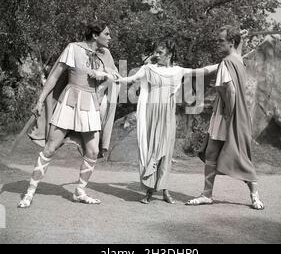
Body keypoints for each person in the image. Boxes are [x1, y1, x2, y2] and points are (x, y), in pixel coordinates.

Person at [90, 39, 218, 204]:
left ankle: (165, 190)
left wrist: (222, 64)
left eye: (160, 53)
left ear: (170, 54)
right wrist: (113, 77)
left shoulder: (178, 70)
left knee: (166, 151)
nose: (156, 55)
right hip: (152, 113)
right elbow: (130, 79)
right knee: (151, 149)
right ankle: (149, 190)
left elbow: (201, 71)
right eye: (156, 52)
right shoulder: (148, 69)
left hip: (168, 115)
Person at [18, 22, 118, 208]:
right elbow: (55, 76)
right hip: (70, 102)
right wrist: (40, 101)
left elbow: (115, 77)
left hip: (90, 106)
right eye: (107, 33)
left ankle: (80, 191)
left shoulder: (107, 55)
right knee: (50, 148)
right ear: (95, 35)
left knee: (93, 151)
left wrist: (103, 75)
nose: (110, 37)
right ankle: (29, 192)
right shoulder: (73, 48)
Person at [186, 25, 264, 210]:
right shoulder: (237, 59)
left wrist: (229, 114)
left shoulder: (226, 62)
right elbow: (238, 50)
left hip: (226, 113)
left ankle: (254, 196)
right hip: (237, 113)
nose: (218, 43)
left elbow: (229, 90)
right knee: (216, 152)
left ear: (231, 42)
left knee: (239, 155)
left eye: (221, 40)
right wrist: (241, 38)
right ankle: (209, 194)